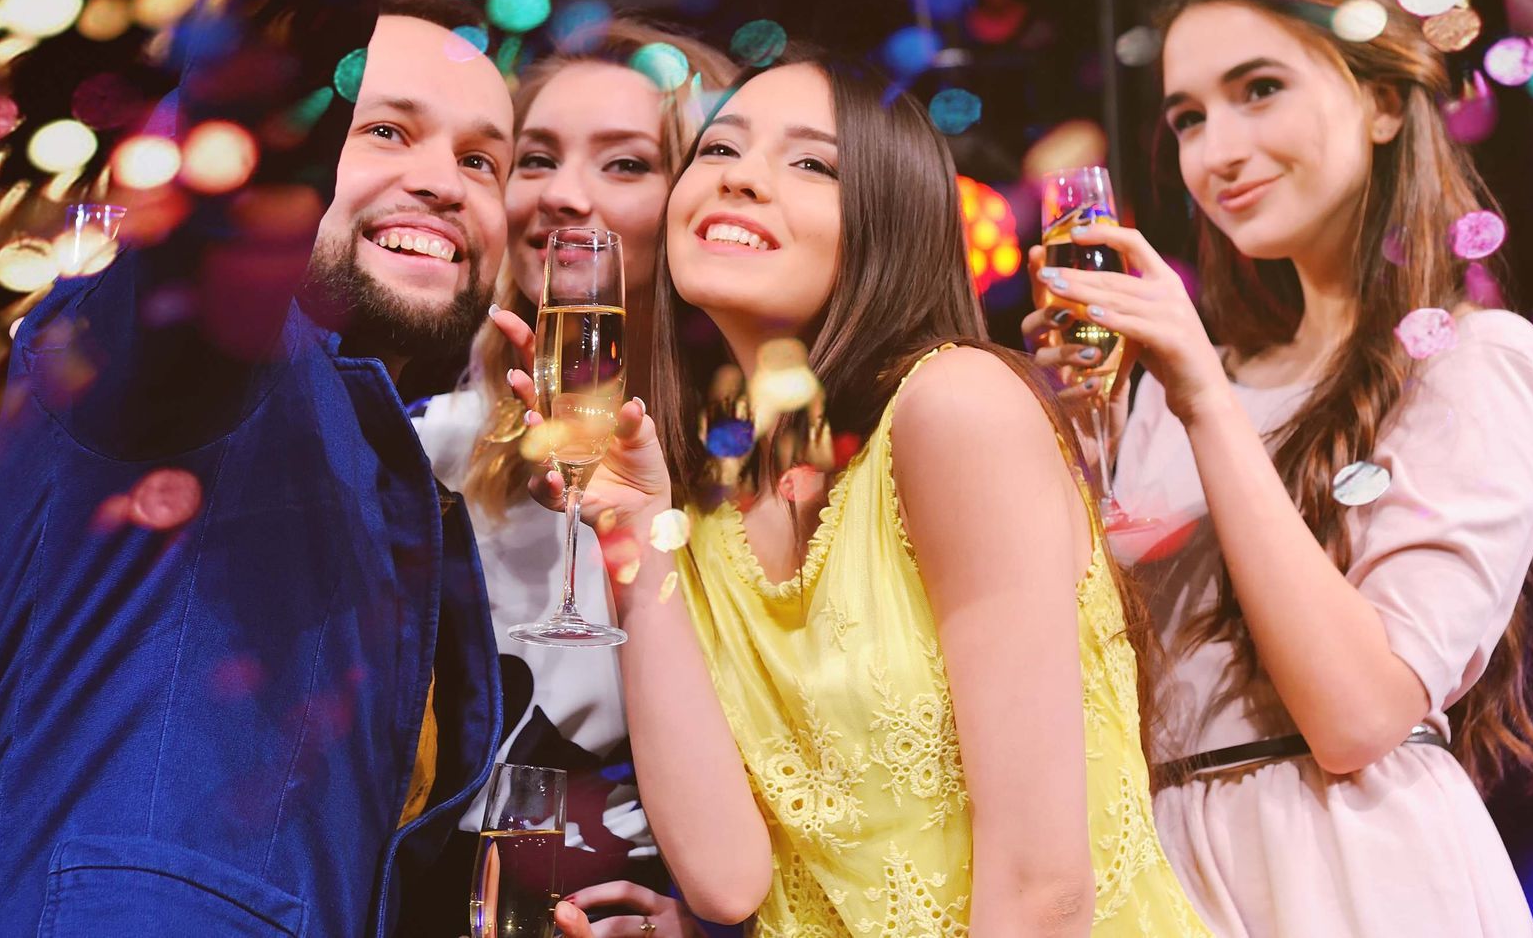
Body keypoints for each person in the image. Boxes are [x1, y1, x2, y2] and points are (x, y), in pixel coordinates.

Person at [0, 0, 642, 938]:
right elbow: (237, 152)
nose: (446, 185)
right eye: (383, 132)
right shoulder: (166, 366)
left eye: (481, 160)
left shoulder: (380, 456)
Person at [502, 54, 1209, 936]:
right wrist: (631, 532)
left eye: (810, 164)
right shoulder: (705, 510)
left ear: (891, 225)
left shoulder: (955, 406)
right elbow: (726, 880)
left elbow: (1043, 889)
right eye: (718, 149)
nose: (741, 179)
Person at [1026, 0, 1533, 937]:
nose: (1217, 150)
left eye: (1259, 88)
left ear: (1383, 102)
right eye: (1188, 118)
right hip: (1161, 870)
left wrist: (1201, 396)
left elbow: (1359, 715)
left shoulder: (1476, 360)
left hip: (1345, 872)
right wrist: (1064, 440)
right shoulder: (1174, 389)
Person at [403, 21, 733, 938]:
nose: (561, 196)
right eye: (535, 159)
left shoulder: (772, 467)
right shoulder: (432, 454)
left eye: (625, 164)